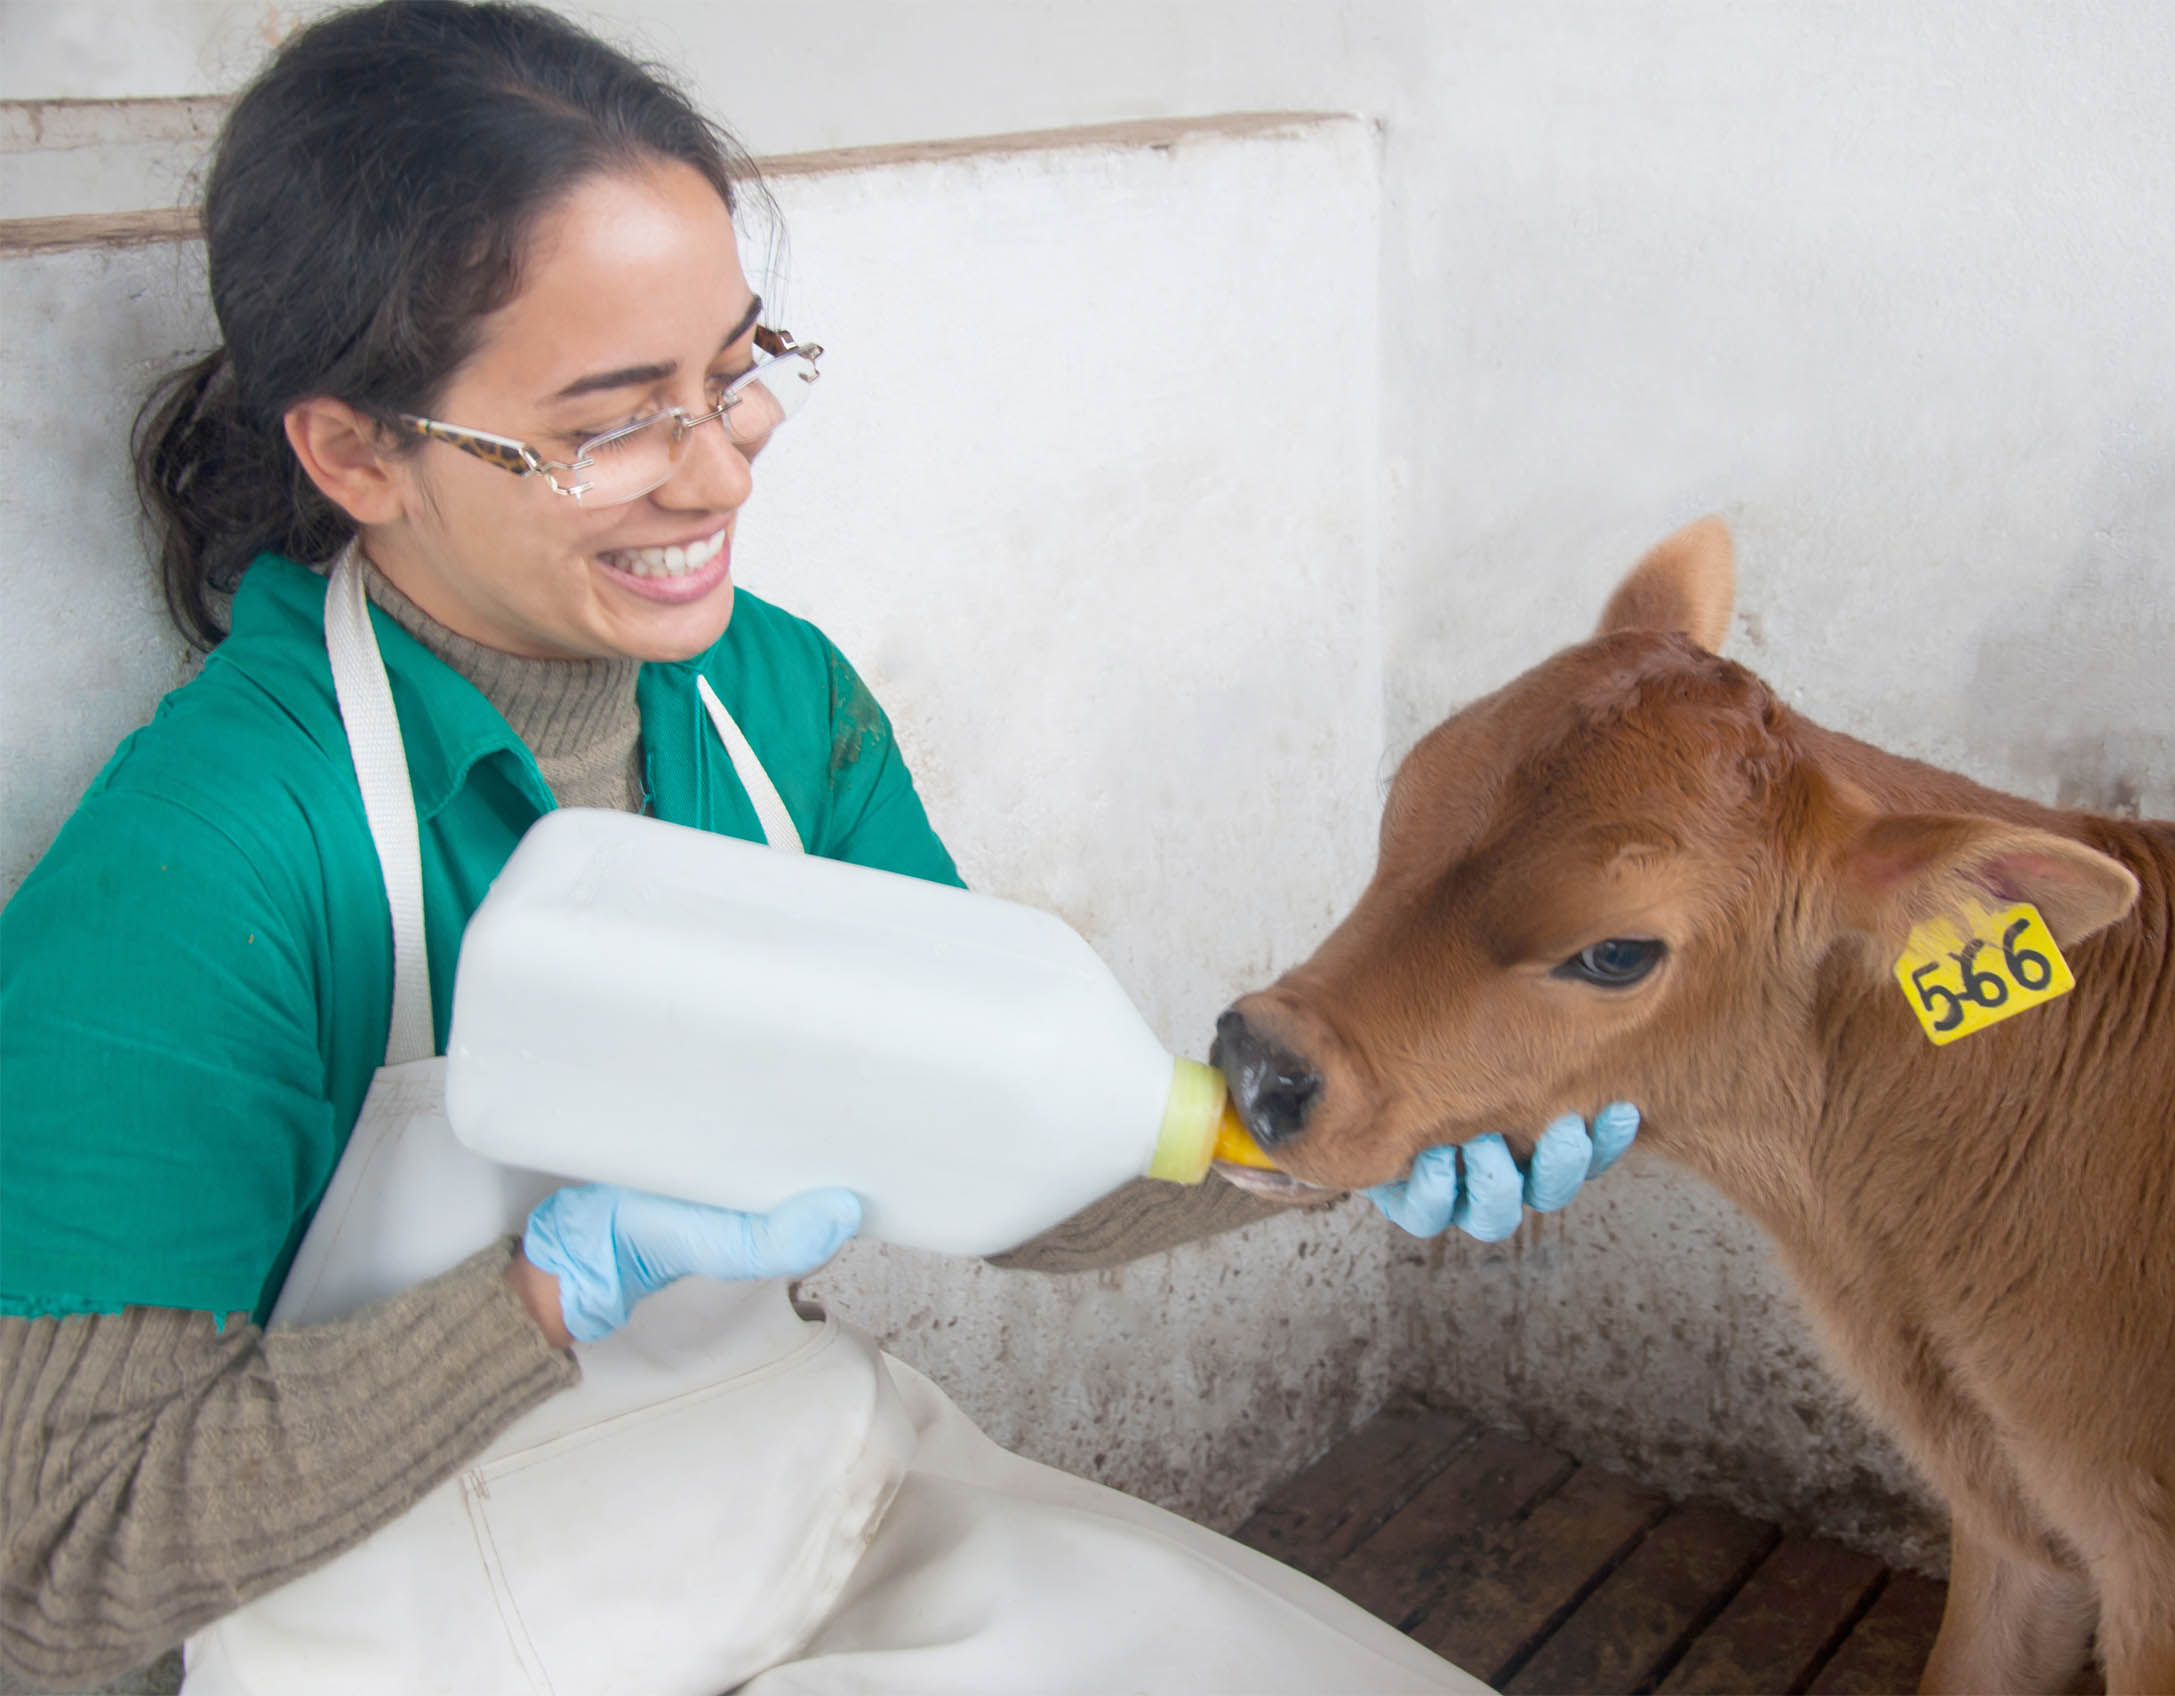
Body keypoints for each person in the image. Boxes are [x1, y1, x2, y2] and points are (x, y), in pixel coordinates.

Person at [0, 4, 1639, 1690]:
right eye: (614, 420)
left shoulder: (769, 708)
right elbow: (53, 1567)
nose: (720, 468)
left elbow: (1008, 1167)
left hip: (825, 1520)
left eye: (736, 369)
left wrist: (1315, 1140)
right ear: (356, 451)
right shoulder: (210, 868)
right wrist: (547, 1294)